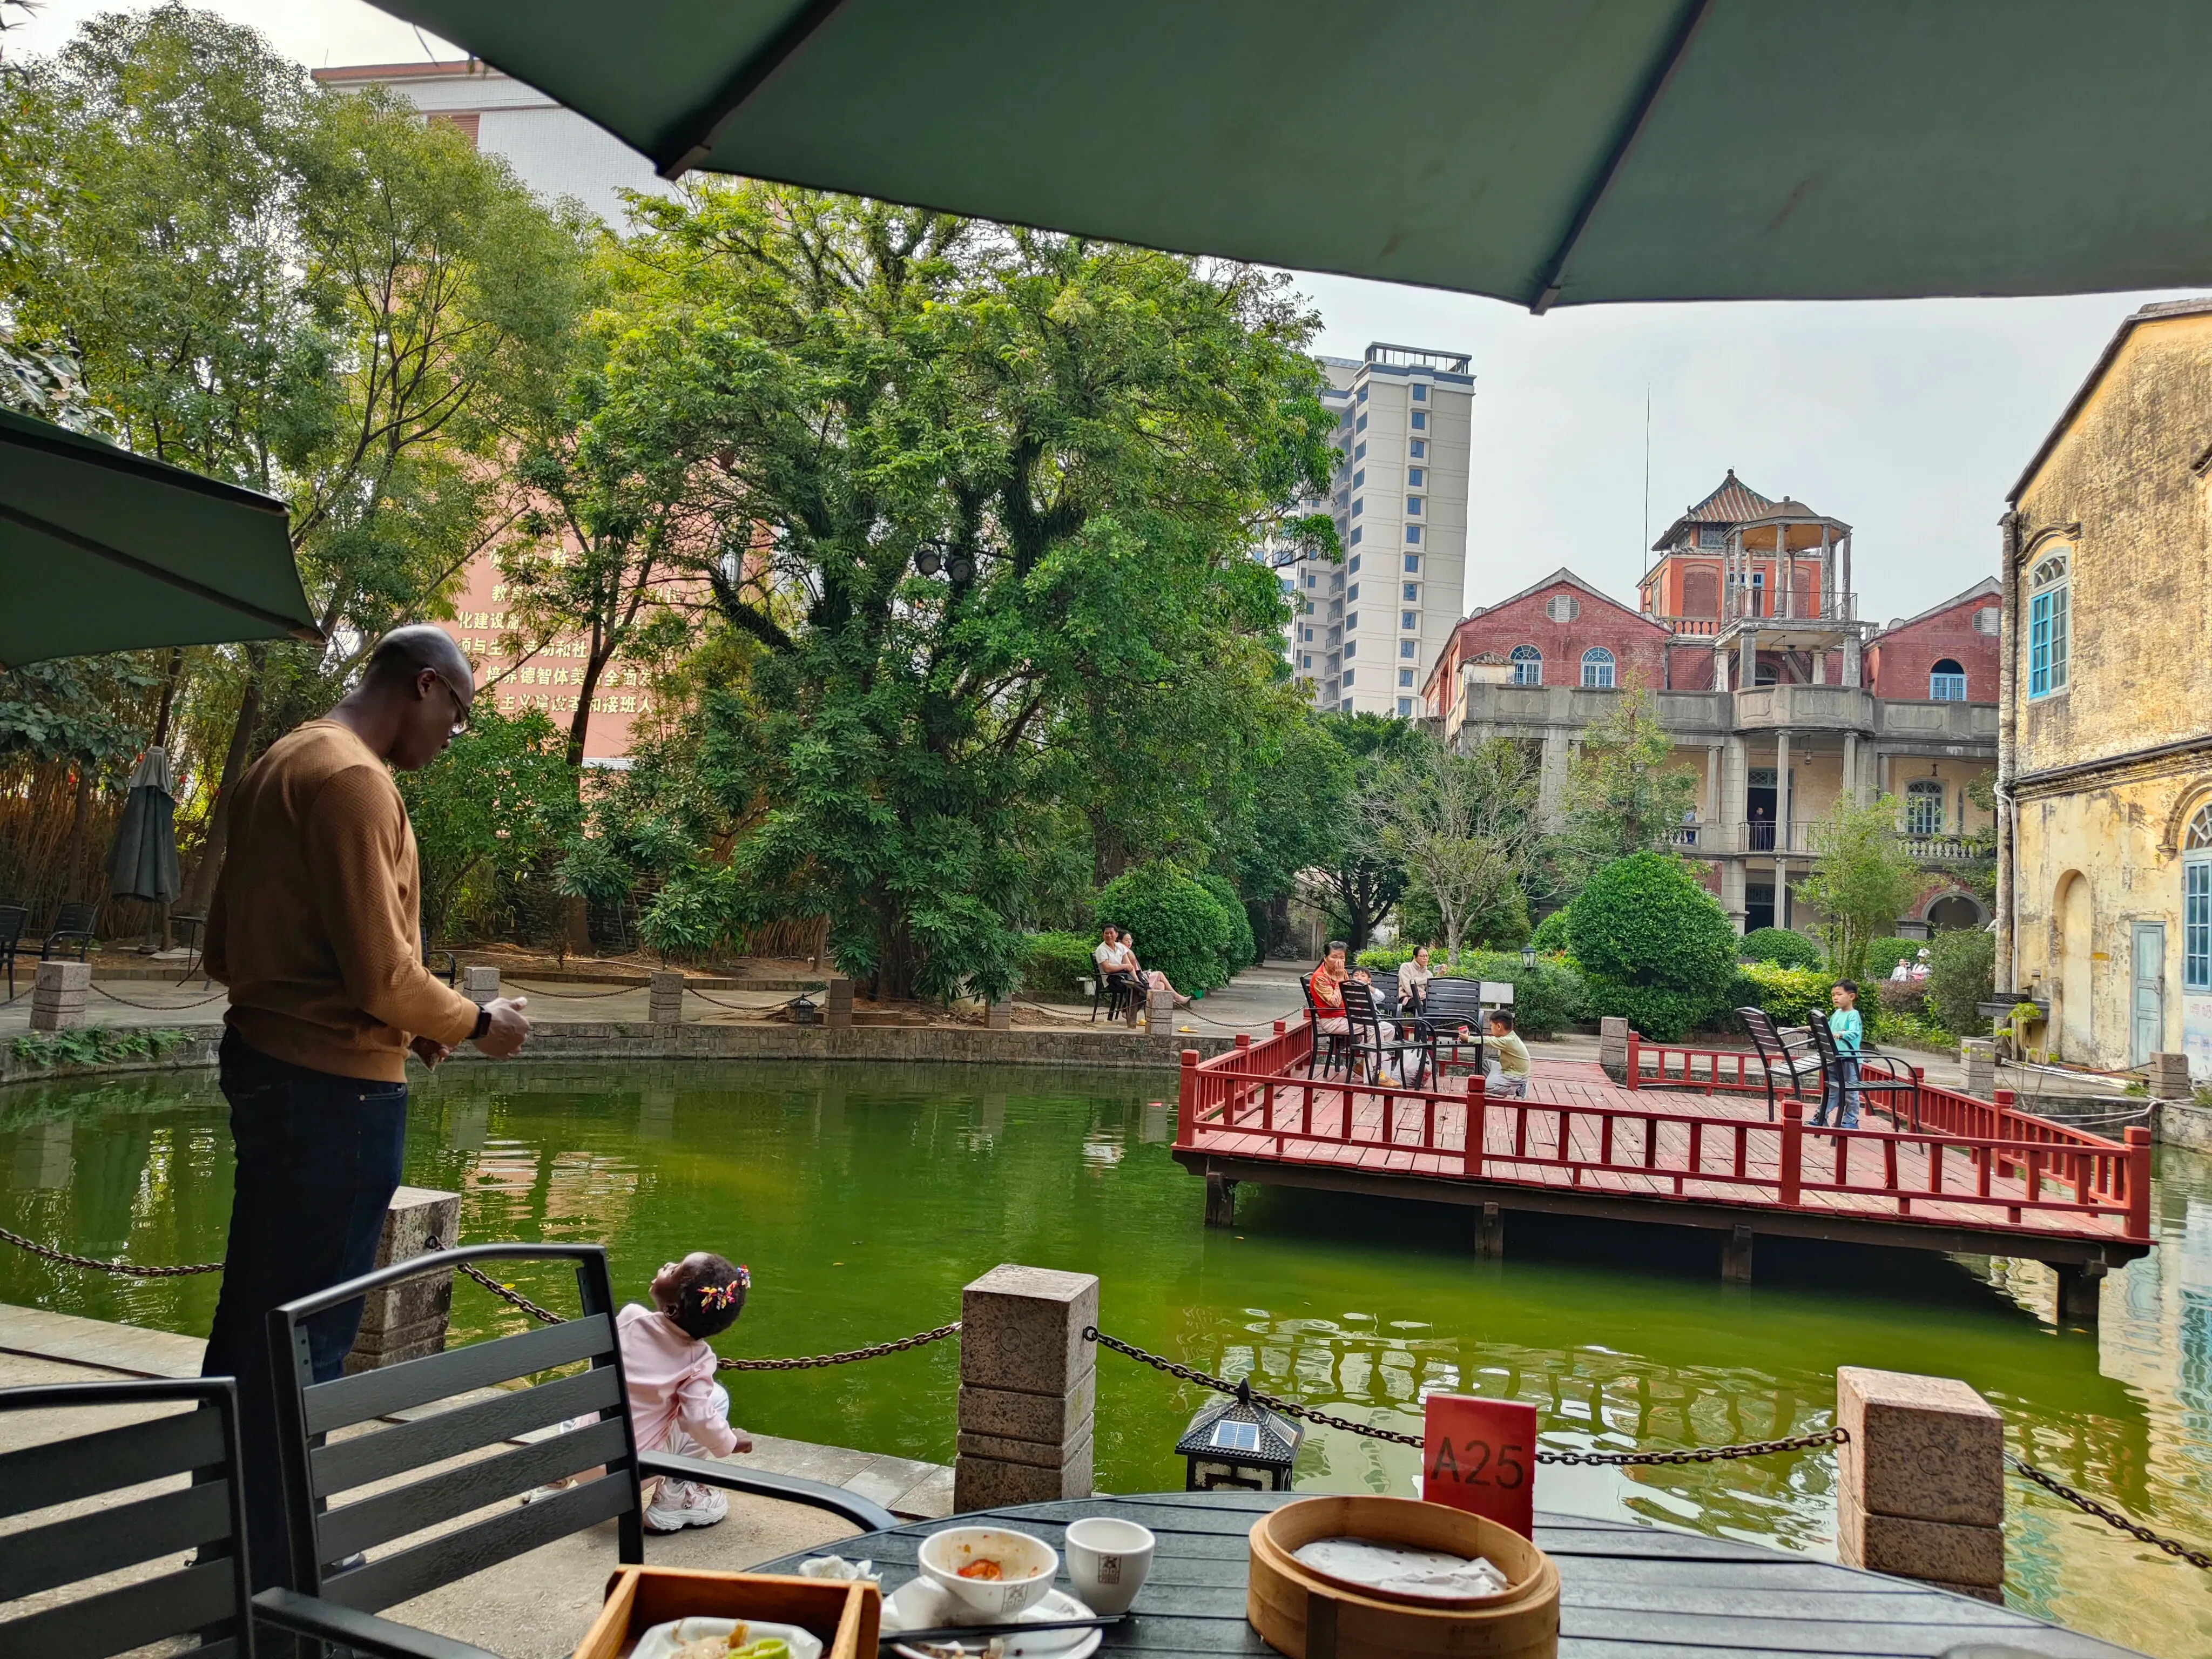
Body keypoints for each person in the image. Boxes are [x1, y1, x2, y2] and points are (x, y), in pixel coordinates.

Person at [199, 624, 532, 1588]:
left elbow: (229, 946)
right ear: (424, 685)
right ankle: (294, 1568)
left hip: (267, 1066)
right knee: (310, 1335)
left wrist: (400, 1020)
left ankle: (227, 1549)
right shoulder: (354, 779)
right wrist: (474, 1020)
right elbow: (384, 972)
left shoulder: (280, 761)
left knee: (251, 1320)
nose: (452, 735)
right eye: (458, 715)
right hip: (335, 1097)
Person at [622, 1252, 758, 1532]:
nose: (667, 1264)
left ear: (670, 1309)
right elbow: (698, 1419)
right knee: (715, 1399)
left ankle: (556, 1480)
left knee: (599, 1388)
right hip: (630, 1473)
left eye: (675, 1271)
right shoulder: (697, 1359)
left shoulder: (629, 1318)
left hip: (581, 1455)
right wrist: (729, 1441)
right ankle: (675, 1497)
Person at [1814, 980, 1863, 1129]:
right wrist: (1812, 1028)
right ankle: (1821, 1116)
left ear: (1851, 996)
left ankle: (1851, 1120)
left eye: (1839, 994)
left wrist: (1841, 1034)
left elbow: (1854, 1033)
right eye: (1833, 995)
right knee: (1831, 1090)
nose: (1835, 997)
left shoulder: (1853, 1015)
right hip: (1835, 1057)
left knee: (1850, 1091)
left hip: (1849, 1059)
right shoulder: (1837, 1013)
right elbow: (1828, 1029)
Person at [1093, 925, 1142, 1023]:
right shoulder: (1101, 950)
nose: (1109, 936)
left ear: (1116, 935)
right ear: (1103, 935)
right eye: (1106, 933)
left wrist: (1137, 980)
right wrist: (1124, 967)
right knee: (1135, 988)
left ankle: (1128, 1011)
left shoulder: (1120, 947)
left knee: (1144, 987)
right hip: (1112, 980)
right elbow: (1107, 969)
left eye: (1112, 933)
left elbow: (1129, 966)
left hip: (1123, 976)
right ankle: (1127, 1011)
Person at [1482, 1009, 1530, 1098]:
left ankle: (1518, 1088)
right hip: (1507, 1069)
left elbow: (1488, 1041)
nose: (1491, 1028)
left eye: (1491, 1026)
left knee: (1487, 1086)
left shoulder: (1508, 1040)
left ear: (1499, 1026)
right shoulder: (1510, 1036)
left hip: (1516, 1076)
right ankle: (1499, 1089)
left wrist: (1469, 1038)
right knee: (1485, 1064)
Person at [1398, 945, 1433, 1016]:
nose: (1425, 958)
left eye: (1427, 956)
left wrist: (1440, 975)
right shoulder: (1406, 967)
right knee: (1419, 1006)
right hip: (1406, 996)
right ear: (1415, 957)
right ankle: (1421, 1027)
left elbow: (1430, 990)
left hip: (1422, 997)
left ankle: (1431, 1027)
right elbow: (1408, 987)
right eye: (1422, 956)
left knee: (1433, 1006)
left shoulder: (1428, 974)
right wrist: (1418, 998)